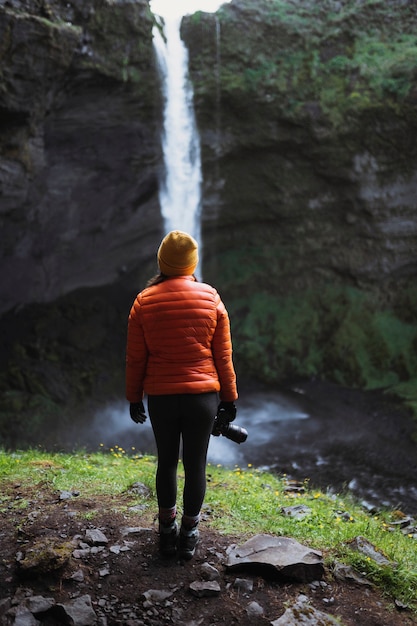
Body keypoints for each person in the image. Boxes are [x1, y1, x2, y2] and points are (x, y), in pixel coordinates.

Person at [125, 230, 238, 560]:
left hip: (160, 397)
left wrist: (134, 397)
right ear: (192, 263)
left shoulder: (144, 301)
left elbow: (136, 357)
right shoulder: (210, 298)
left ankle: (165, 533)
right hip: (202, 398)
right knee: (195, 465)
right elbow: (223, 356)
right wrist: (229, 399)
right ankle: (189, 535)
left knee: (167, 463)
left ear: (162, 262)